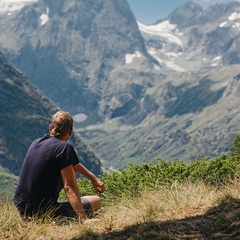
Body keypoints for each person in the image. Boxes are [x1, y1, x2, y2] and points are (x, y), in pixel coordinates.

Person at [14, 111, 105, 224]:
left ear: (51, 127)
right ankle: (77, 218)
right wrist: (83, 219)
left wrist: (93, 178)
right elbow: (69, 186)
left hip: (22, 207)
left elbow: (72, 164)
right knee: (96, 200)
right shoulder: (64, 148)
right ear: (70, 131)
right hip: (44, 211)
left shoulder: (36, 142)